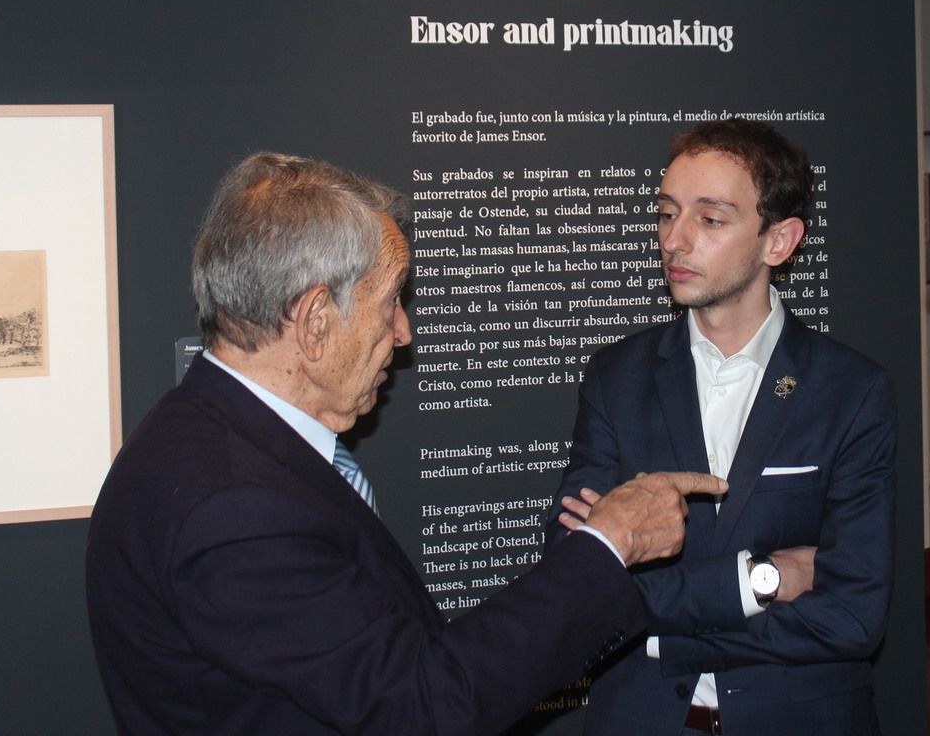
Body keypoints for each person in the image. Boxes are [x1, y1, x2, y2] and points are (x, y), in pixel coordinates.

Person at [85, 152, 726, 736]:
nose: (404, 332)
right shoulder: (234, 506)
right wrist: (609, 542)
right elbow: (420, 707)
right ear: (313, 324)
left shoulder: (212, 435)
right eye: (392, 302)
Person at [547, 119, 896, 736]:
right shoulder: (616, 378)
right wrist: (761, 580)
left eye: (709, 220)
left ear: (778, 241)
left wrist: (661, 641)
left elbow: (853, 616)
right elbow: (579, 579)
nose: (675, 240)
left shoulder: (852, 391)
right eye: (667, 213)